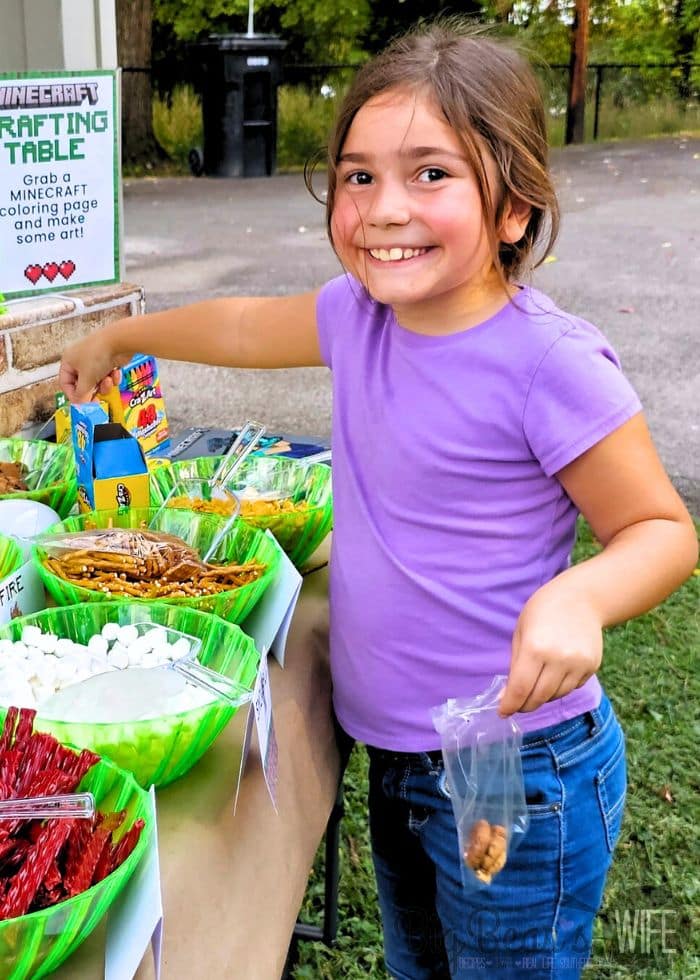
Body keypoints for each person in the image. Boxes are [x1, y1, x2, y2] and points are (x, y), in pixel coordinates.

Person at [59, 20, 697, 980]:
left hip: (519, 767)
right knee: (418, 963)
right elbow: (238, 325)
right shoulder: (355, 317)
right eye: (359, 177)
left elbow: (659, 529)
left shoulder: (550, 365)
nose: (384, 208)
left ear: (515, 208)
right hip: (398, 755)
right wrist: (125, 335)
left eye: (430, 174)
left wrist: (579, 596)